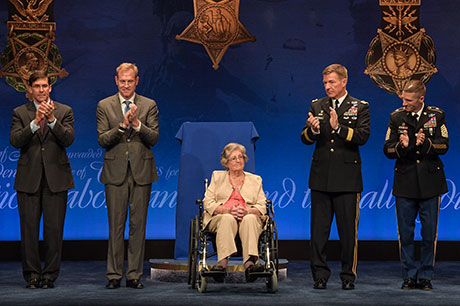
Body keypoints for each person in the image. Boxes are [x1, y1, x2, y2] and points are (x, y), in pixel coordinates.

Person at [301, 64, 370, 290]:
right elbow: (305, 138)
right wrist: (313, 130)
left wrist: (338, 127)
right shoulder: (316, 104)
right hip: (321, 177)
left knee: (348, 233)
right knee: (318, 232)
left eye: (331, 82)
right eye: (325, 83)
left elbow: (362, 137)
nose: (327, 86)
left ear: (343, 82)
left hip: (347, 179)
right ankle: (320, 275)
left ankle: (348, 276)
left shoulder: (359, 107)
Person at [97, 63, 159, 289]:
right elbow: (103, 139)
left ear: (136, 81)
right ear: (116, 80)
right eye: (122, 81)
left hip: (141, 172)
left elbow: (153, 138)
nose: (125, 85)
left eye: (129, 81)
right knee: (115, 226)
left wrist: (137, 124)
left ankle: (134, 275)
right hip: (115, 173)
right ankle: (113, 275)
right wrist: (123, 126)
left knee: (138, 226)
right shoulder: (104, 105)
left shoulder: (149, 104)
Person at [10, 71, 74, 289]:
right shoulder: (20, 112)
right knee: (28, 231)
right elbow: (15, 141)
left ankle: (49, 275)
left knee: (54, 231)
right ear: (30, 89)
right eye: (36, 86)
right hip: (29, 179)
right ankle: (32, 275)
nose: (41, 90)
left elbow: (68, 139)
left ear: (50, 87)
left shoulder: (64, 111)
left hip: (56, 179)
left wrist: (52, 120)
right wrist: (35, 122)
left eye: (45, 85)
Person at [383, 80, 448, 291]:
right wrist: (401, 146)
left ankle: (426, 275)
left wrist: (426, 144)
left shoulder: (436, 116)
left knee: (429, 234)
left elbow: (444, 145)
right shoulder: (396, 117)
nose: (404, 103)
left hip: (430, 183)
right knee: (406, 233)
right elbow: (387, 149)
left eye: (408, 100)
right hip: (405, 182)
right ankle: (409, 275)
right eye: (403, 98)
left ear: (421, 99)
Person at [203, 143, 267, 282]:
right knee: (227, 218)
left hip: (248, 218)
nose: (238, 160)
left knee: (250, 218)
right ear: (226, 163)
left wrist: (248, 211)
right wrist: (227, 210)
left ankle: (250, 265)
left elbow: (262, 206)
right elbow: (207, 203)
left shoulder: (255, 180)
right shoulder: (217, 176)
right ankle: (222, 264)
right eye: (234, 158)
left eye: (241, 157)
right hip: (220, 218)